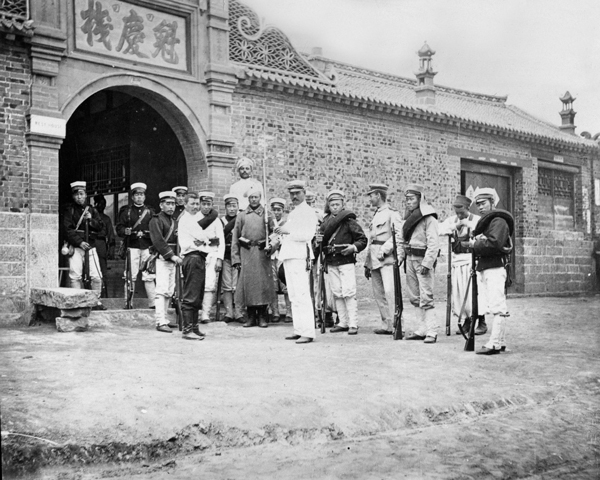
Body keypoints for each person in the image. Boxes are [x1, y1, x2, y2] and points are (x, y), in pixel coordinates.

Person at [464, 187, 514, 355]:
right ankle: (500, 341)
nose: (480, 207)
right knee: (492, 304)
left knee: (497, 305)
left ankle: (494, 343)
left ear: (493, 203)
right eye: (477, 204)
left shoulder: (498, 221)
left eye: (483, 203)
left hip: (495, 267)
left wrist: (475, 244)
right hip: (487, 267)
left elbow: (494, 243)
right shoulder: (489, 222)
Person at [316, 190, 367, 335]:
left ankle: (353, 323)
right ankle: (343, 322)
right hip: (331, 260)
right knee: (337, 292)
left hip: (345, 260)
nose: (335, 207)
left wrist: (353, 247)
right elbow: (319, 240)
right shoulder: (325, 222)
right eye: (332, 204)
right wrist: (318, 240)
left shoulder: (349, 221)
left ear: (343, 205)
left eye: (337, 204)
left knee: (349, 292)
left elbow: (362, 239)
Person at [276, 180, 319, 344]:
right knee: (293, 295)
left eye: (297, 193)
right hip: (289, 255)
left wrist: (287, 230)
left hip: (300, 256)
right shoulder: (294, 213)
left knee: (302, 294)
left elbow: (307, 235)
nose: (294, 196)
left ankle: (308, 331)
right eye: (292, 194)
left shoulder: (308, 212)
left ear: (304, 193)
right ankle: (299, 329)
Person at [399, 183, 440, 344]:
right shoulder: (408, 218)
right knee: (414, 296)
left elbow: (433, 243)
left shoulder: (429, 218)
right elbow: (403, 241)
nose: (409, 202)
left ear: (420, 199)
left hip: (423, 260)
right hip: (410, 259)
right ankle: (421, 329)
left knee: (426, 296)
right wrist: (401, 257)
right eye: (407, 199)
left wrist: (427, 263)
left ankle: (432, 330)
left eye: (412, 199)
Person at [438, 194, 483, 334]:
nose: (459, 214)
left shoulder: (476, 219)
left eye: (461, 211)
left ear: (467, 208)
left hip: (471, 260)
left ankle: (481, 321)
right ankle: (467, 320)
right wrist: (455, 225)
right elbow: (439, 230)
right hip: (457, 261)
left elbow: (481, 231)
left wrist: (467, 224)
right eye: (457, 212)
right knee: (460, 292)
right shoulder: (452, 220)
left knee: (474, 292)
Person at [231, 188, 275, 328]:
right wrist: (236, 259)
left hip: (262, 254)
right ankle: (250, 316)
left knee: (262, 284)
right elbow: (235, 238)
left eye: (256, 197)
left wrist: (271, 247)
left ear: (260, 198)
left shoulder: (267, 215)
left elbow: (275, 235)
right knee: (248, 285)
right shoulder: (242, 215)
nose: (254, 200)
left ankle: (262, 316)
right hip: (247, 253)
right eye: (251, 197)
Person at [364, 183, 403, 335]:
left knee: (390, 291)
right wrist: (367, 263)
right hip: (374, 258)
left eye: (371, 195)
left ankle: (398, 324)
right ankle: (386, 324)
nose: (370, 198)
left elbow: (399, 236)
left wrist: (385, 249)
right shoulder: (376, 214)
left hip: (386, 258)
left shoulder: (392, 213)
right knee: (378, 293)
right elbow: (372, 240)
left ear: (378, 195)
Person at [62, 181, 106, 310]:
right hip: (76, 246)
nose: (79, 197)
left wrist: (91, 220)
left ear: (86, 195)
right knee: (75, 276)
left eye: (81, 194)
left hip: (90, 246)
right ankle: (78, 301)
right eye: (76, 195)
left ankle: (96, 301)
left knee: (96, 276)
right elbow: (68, 230)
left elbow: (101, 227)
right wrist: (79, 242)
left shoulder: (92, 210)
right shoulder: (69, 210)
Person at [116, 183, 156, 309]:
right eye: (137, 195)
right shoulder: (126, 211)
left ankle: (153, 303)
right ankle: (128, 303)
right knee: (130, 276)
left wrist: (146, 234)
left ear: (144, 197)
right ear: (132, 197)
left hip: (146, 246)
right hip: (132, 246)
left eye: (141, 195)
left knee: (149, 275)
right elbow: (119, 227)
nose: (139, 197)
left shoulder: (150, 212)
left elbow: (155, 229)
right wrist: (124, 231)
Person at [177, 192, 211, 340]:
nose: (196, 207)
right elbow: (203, 237)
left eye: (197, 204)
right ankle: (187, 330)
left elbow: (209, 238)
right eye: (192, 204)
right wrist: (203, 239)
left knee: (198, 295)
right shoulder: (185, 220)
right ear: (185, 205)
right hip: (192, 257)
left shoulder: (198, 218)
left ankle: (195, 327)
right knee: (191, 295)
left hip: (200, 257)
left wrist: (204, 239)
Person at [149, 191, 183, 333]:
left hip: (174, 259)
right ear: (161, 205)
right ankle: (159, 321)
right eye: (167, 204)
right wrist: (171, 255)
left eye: (173, 204)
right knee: (161, 290)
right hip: (163, 258)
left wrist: (178, 255)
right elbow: (158, 241)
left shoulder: (174, 221)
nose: (171, 207)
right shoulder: (156, 220)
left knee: (169, 291)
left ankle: (165, 319)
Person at [197, 192, 225, 323]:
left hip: (212, 254)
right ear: (199, 204)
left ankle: (205, 314)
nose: (206, 207)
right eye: (204, 204)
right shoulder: (194, 217)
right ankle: (195, 313)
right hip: (197, 254)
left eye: (209, 204)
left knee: (209, 285)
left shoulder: (216, 220)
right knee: (196, 284)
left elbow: (221, 241)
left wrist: (219, 258)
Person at [268, 197, 293, 323]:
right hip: (272, 256)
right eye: (274, 210)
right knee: (272, 284)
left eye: (279, 210)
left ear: (283, 210)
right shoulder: (269, 223)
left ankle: (289, 312)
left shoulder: (286, 223)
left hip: (283, 256)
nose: (277, 212)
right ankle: (275, 311)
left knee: (285, 284)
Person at [220, 194, 244, 323]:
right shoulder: (221, 221)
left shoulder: (241, 219)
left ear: (238, 207)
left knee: (238, 284)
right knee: (227, 285)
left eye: (234, 206)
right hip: (225, 255)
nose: (232, 209)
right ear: (225, 207)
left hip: (238, 256)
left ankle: (239, 312)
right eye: (229, 206)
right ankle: (229, 312)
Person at [92, 194, 116, 298]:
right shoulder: (91, 216)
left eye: (104, 204)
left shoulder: (106, 219)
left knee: (103, 269)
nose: (102, 206)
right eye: (100, 204)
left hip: (101, 244)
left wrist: (111, 249)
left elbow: (111, 234)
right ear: (95, 204)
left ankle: (103, 295)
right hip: (91, 242)